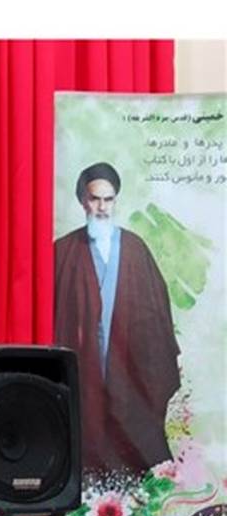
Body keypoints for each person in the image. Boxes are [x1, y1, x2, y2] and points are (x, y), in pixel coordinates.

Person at [53, 161, 181, 475]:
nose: (102, 207)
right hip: (82, 363)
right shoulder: (63, 251)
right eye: (95, 199)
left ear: (115, 201)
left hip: (128, 364)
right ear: (83, 200)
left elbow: (155, 313)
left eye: (108, 200)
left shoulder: (135, 250)